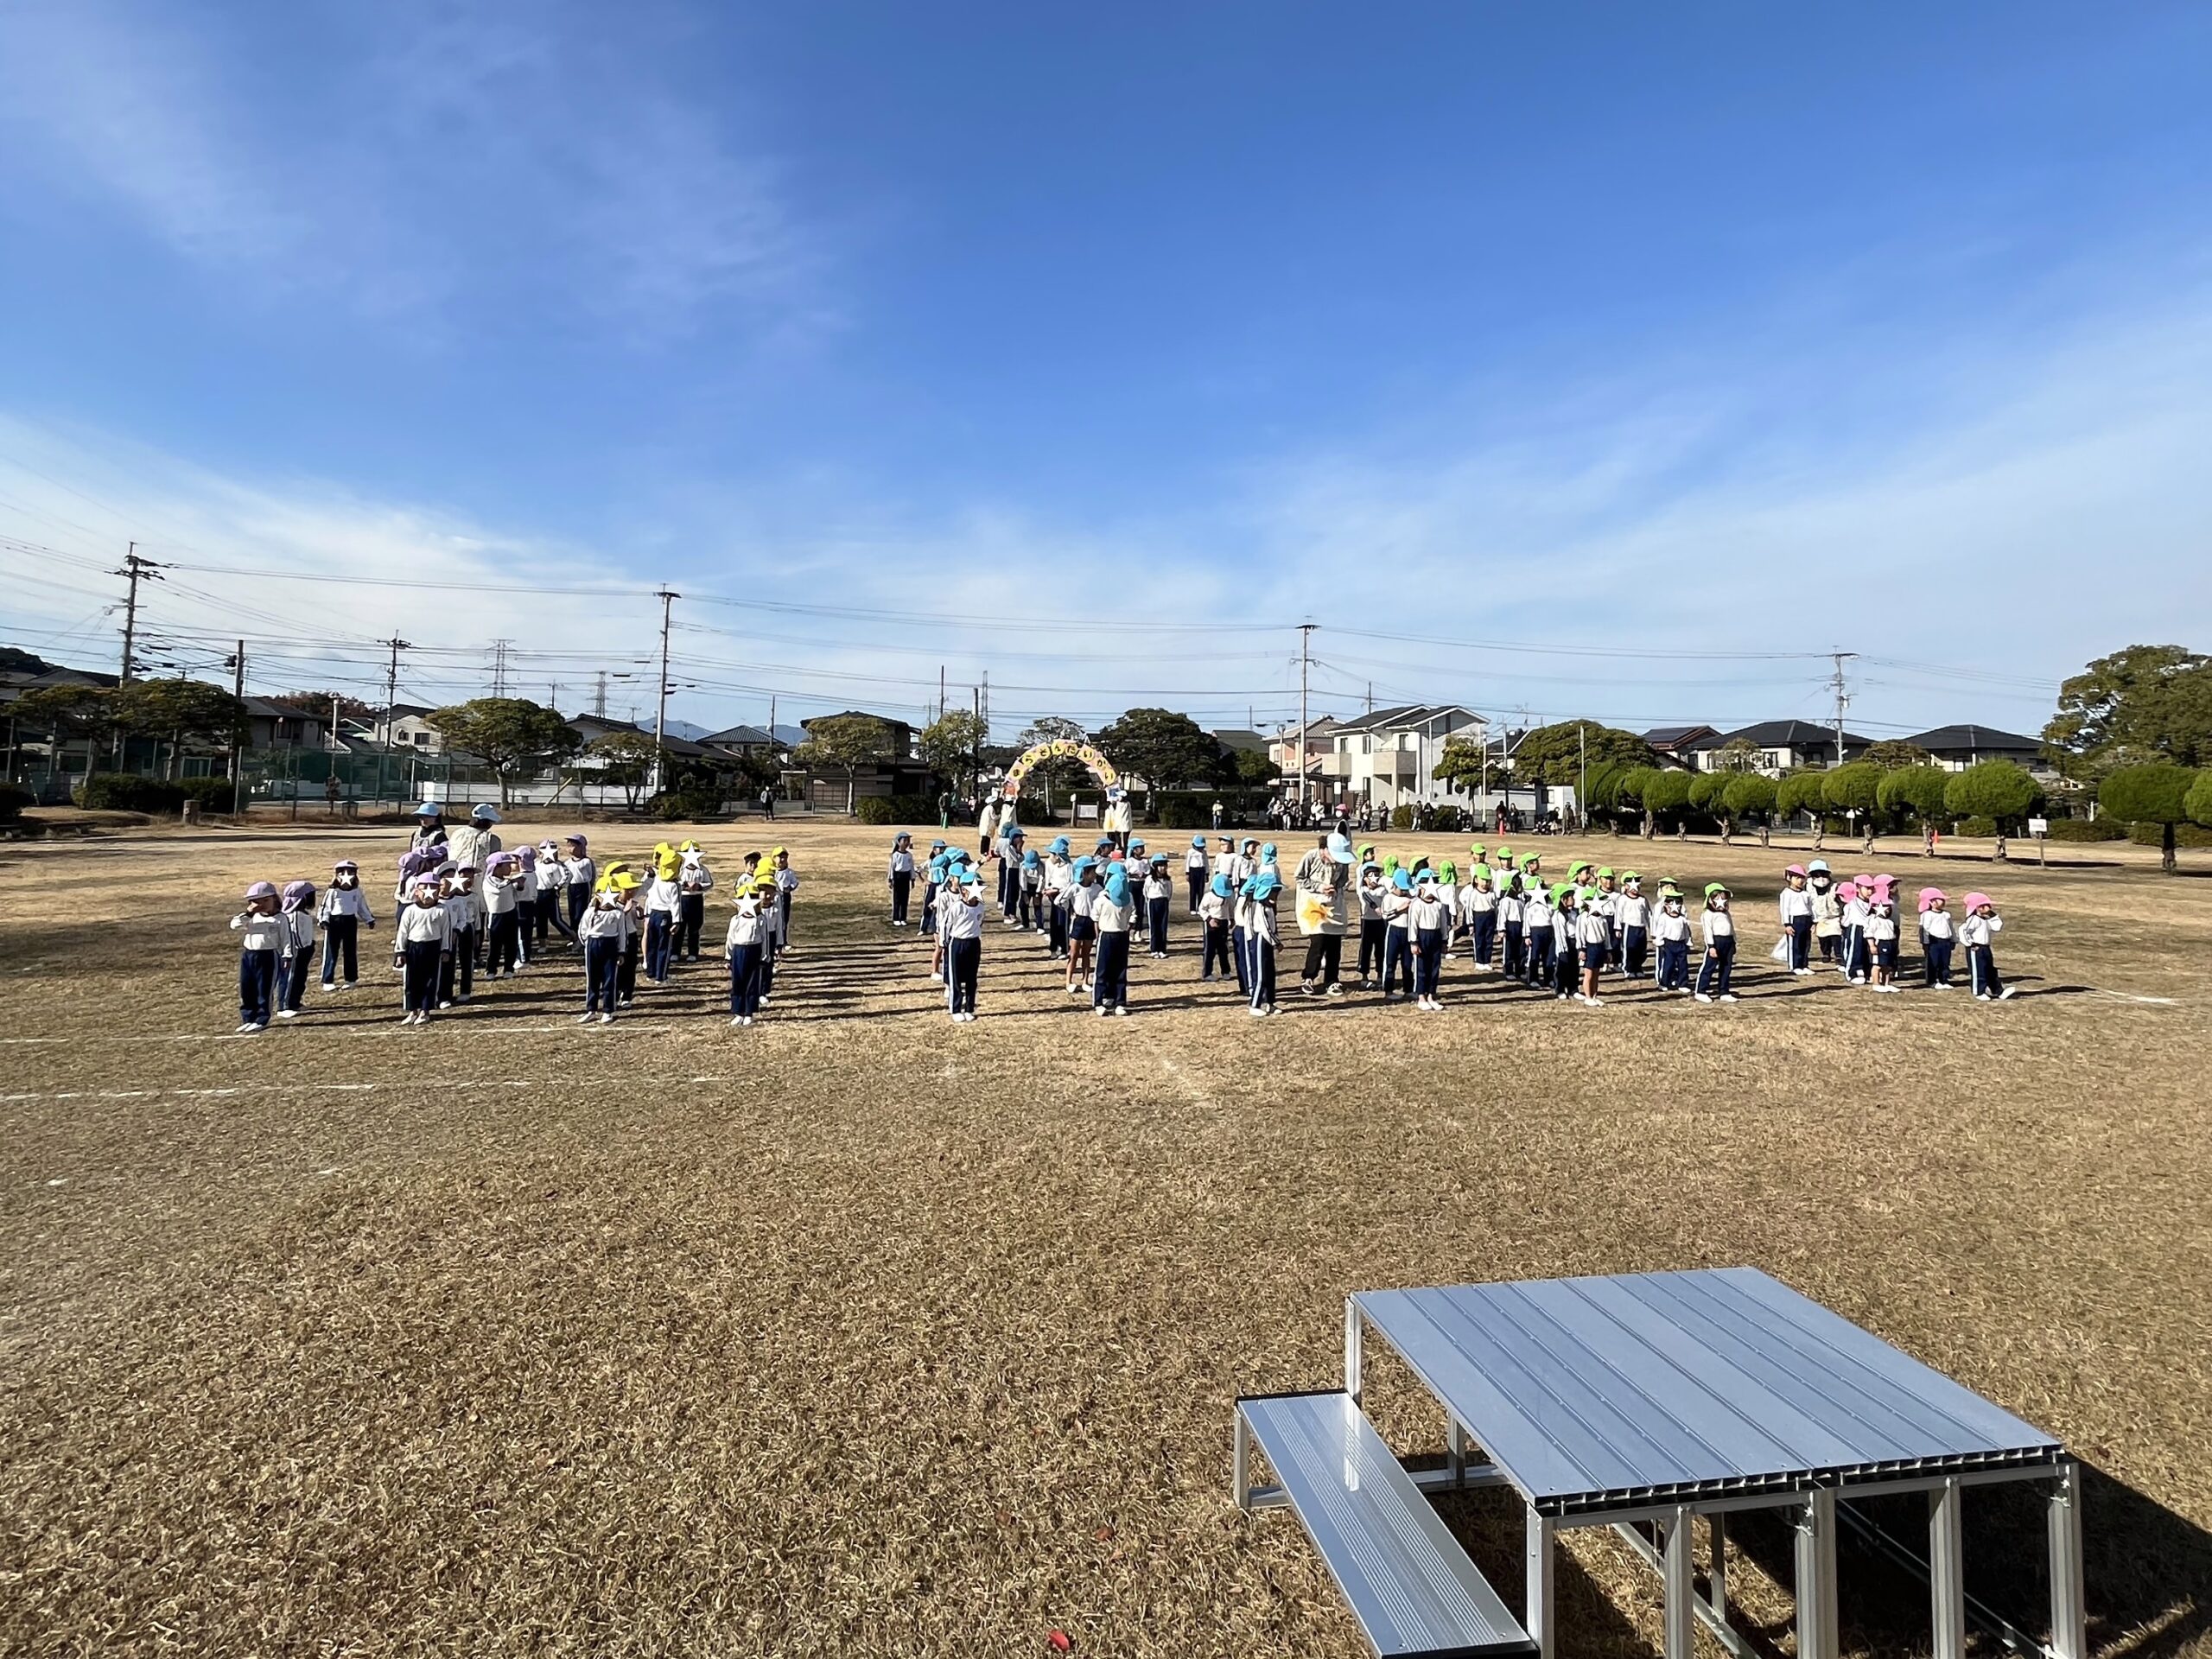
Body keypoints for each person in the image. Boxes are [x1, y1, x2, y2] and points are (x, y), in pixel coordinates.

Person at [1294, 831, 1355, 997]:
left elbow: (1342, 879)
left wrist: (1338, 886)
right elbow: (1299, 878)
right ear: (1326, 849)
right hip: (1314, 905)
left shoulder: (1341, 863)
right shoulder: (1311, 857)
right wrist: (1320, 887)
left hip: (1334, 905)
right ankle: (1308, 977)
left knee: (1334, 944)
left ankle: (1332, 980)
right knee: (1318, 942)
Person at [226, 881, 283, 1033]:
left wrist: (288, 956)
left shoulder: (280, 919)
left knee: (264, 989)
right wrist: (248, 913)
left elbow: (286, 939)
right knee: (247, 988)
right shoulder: (251, 918)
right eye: (256, 901)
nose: (261, 905)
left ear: (274, 900)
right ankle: (248, 1018)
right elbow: (234, 925)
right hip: (249, 955)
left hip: (268, 955)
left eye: (266, 900)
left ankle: (261, 1019)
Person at [394, 877, 451, 1025]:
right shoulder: (410, 910)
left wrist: (445, 949)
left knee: (430, 981)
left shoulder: (442, 910)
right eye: (424, 889)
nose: (428, 893)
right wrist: (400, 952)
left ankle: (425, 1011)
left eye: (433, 888)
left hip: (433, 948)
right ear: (416, 892)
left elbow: (446, 931)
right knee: (411, 981)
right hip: (413, 948)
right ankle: (412, 1010)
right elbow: (402, 932)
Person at [576, 880, 631, 1024]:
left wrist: (621, 952)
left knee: (609, 979)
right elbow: (583, 930)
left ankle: (608, 1010)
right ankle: (591, 1009)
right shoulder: (590, 912)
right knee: (592, 979)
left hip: (610, 946)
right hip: (593, 945)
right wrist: (588, 944)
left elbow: (622, 933)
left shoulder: (618, 914)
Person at [318, 860, 374, 991]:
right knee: (331, 951)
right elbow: (325, 907)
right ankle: (328, 980)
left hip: (350, 921)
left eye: (350, 872)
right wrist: (324, 920)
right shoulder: (333, 891)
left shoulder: (357, 891)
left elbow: (362, 906)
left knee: (350, 951)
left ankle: (351, 979)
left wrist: (369, 919)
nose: (347, 876)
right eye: (343, 873)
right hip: (334, 922)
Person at [942, 864, 985, 1021]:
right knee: (955, 977)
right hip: (957, 943)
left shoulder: (981, 906)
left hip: (973, 943)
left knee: (972, 977)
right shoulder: (957, 907)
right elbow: (947, 925)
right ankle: (955, 1009)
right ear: (964, 890)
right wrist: (945, 943)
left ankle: (969, 1008)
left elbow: (980, 922)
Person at [1091, 862, 1135, 1016]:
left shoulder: (1128, 897)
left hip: (1122, 936)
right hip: (1106, 935)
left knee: (1121, 970)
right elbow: (1095, 919)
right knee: (1103, 969)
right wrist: (1098, 936)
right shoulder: (1102, 899)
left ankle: (1120, 1002)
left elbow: (1132, 913)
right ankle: (1099, 1001)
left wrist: (1128, 928)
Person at [726, 877, 769, 1026]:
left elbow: (764, 939)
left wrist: (764, 957)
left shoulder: (760, 919)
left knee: (752, 983)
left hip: (754, 951)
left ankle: (749, 1012)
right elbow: (730, 938)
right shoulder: (735, 920)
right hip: (738, 951)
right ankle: (738, 1012)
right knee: (738, 982)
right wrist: (728, 956)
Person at [441, 864, 484, 1007]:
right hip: (450, 931)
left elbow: (477, 917)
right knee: (449, 961)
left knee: (467, 959)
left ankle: (465, 990)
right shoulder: (448, 899)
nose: (468, 880)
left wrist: (478, 933)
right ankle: (445, 993)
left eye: (471, 877)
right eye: (464, 877)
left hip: (467, 928)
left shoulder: (474, 897)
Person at [274, 881, 316, 1020]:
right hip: (296, 951)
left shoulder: (303, 914)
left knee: (300, 977)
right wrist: (302, 947)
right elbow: (295, 934)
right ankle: (284, 1006)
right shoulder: (294, 915)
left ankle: (295, 1002)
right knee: (290, 978)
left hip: (305, 950)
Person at [1960, 892, 2014, 1000]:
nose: (1988, 907)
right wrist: (1970, 944)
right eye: (1984, 905)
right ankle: (1979, 992)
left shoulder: (1986, 919)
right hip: (1976, 948)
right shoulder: (1974, 919)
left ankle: (1998, 991)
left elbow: (1997, 927)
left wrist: (1992, 915)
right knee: (1979, 970)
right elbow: (1963, 930)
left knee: (1990, 970)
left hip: (1986, 947)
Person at [1409, 868, 1450, 1012]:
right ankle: (1421, 996)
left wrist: (1444, 940)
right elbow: (1413, 924)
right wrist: (1413, 942)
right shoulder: (1417, 905)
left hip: (1436, 937)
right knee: (1422, 968)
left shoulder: (1439, 905)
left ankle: (1431, 995)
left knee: (1434, 968)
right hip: (1422, 937)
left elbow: (1444, 923)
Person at [1243, 869, 1281, 1016]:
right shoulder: (1259, 906)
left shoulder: (1269, 907)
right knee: (1260, 975)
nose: (1276, 895)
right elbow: (1265, 928)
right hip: (1260, 941)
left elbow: (1273, 926)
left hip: (1268, 942)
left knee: (1270, 973)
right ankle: (1255, 1004)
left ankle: (1270, 1003)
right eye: (1273, 891)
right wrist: (1277, 942)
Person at [482, 853, 524, 980]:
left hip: (511, 913)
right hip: (496, 916)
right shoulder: (489, 881)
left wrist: (520, 885)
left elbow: (515, 894)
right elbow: (498, 889)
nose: (510, 868)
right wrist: (513, 881)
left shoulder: (506, 881)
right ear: (497, 867)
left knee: (511, 943)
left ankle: (509, 968)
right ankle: (491, 970)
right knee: (495, 945)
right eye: (507, 865)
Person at [1694, 881, 1738, 1003]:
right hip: (1716, 942)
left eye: (1724, 898)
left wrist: (1734, 942)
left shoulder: (1726, 914)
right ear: (1710, 900)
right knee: (1709, 967)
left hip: (1728, 942)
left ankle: (1724, 991)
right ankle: (1701, 991)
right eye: (1717, 898)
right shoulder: (1707, 914)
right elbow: (1707, 931)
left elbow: (1731, 928)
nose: (1721, 902)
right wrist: (1711, 946)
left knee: (1726, 968)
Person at [643, 847, 682, 985]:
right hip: (666, 915)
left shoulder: (657, 878)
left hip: (653, 914)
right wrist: (677, 922)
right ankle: (661, 977)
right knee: (663, 947)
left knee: (652, 945)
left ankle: (651, 973)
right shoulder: (674, 885)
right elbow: (675, 904)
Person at [1379, 868, 1415, 1002]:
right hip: (1394, 931)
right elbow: (1385, 915)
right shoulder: (1388, 897)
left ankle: (1409, 989)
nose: (1404, 892)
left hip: (1408, 932)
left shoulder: (1411, 899)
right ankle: (1388, 990)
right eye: (1402, 889)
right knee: (1390, 961)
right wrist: (1399, 909)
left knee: (1407, 963)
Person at [1574, 879, 1611, 1007]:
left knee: (1596, 973)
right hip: (1590, 947)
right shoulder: (1584, 917)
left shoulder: (1602, 918)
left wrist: (1608, 949)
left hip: (1600, 947)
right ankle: (1588, 997)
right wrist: (1582, 949)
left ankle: (1595, 995)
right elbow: (1580, 934)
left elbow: (1606, 935)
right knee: (1589, 973)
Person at [1065, 857, 1099, 995]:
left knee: (1086, 953)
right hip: (1078, 921)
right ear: (1085, 873)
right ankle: (1069, 981)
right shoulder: (1075, 887)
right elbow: (1060, 899)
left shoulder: (1097, 888)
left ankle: (1085, 981)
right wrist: (1070, 910)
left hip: (1090, 921)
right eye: (1092, 872)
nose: (1095, 874)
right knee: (1074, 954)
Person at [675, 843, 713, 961]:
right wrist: (684, 884)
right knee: (679, 927)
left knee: (694, 928)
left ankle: (693, 953)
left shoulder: (703, 869)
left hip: (696, 900)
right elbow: (675, 881)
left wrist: (699, 886)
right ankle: (675, 952)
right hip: (682, 899)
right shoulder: (679, 869)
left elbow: (709, 883)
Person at [1653, 884, 1693, 993]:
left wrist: (1688, 941)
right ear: (1666, 906)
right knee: (1668, 965)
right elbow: (1660, 931)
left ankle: (1683, 983)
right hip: (1668, 944)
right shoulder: (1663, 918)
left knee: (1683, 965)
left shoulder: (1682, 919)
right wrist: (1659, 942)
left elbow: (1686, 931)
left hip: (1681, 944)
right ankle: (1664, 982)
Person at [1866, 880, 1902, 993]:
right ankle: (1876, 984)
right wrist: (1872, 945)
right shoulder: (1873, 920)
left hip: (1889, 943)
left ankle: (1886, 983)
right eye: (1884, 906)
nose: (1887, 909)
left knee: (1887, 965)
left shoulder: (1889, 921)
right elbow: (1869, 933)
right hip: (1879, 943)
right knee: (1877, 965)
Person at [1778, 865, 1815, 976]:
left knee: (1806, 944)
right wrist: (1787, 924)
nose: (1800, 881)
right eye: (1797, 878)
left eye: (1802, 878)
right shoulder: (1786, 893)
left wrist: (1813, 921)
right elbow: (1784, 909)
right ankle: (1795, 965)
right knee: (1795, 944)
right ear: (1789, 878)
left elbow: (1811, 908)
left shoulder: (1806, 894)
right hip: (1794, 920)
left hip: (1806, 920)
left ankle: (1804, 965)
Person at [1461, 862, 1497, 971]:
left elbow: (1496, 907)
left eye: (1488, 880)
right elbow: (1469, 909)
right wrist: (1470, 924)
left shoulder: (1492, 893)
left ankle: (1487, 961)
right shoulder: (1473, 894)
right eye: (1483, 880)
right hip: (1478, 917)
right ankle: (1479, 961)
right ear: (1476, 880)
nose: (1485, 883)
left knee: (1489, 940)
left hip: (1490, 917)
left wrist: (1496, 920)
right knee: (1479, 940)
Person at [1615, 872, 1651, 980]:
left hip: (1641, 928)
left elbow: (1648, 915)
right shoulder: (1623, 899)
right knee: (1629, 949)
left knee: (1641, 950)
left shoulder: (1642, 900)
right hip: (1629, 928)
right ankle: (1628, 969)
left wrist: (1651, 928)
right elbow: (1618, 914)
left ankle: (1638, 968)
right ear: (1626, 886)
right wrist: (1618, 928)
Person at [447, 804, 502, 874]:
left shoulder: (456, 833)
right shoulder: (491, 839)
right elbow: (494, 864)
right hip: (478, 878)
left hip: (453, 875)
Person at [1918, 888, 1956, 990]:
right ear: (1932, 902)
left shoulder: (1946, 915)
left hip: (1946, 941)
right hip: (1934, 941)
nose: (1943, 902)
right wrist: (1925, 942)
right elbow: (1924, 929)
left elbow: (1951, 928)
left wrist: (1953, 939)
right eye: (1940, 900)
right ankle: (1932, 981)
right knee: (1933, 962)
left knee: (1945, 962)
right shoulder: (1927, 915)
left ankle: (1944, 980)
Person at [1199, 870, 1235, 980]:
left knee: (1223, 949)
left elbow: (1231, 907)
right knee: (1209, 949)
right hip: (1211, 924)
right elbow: (1202, 909)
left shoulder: (1228, 897)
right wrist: (1209, 919)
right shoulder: (1208, 896)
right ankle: (1207, 973)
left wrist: (1232, 919)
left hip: (1223, 922)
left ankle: (1226, 971)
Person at [562, 835, 595, 943]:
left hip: (583, 887)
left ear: (581, 847)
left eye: (573, 846)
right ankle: (574, 935)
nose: (570, 849)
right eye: (568, 846)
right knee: (572, 912)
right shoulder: (567, 863)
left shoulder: (586, 862)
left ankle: (582, 936)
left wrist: (589, 887)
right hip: (571, 887)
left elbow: (591, 876)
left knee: (581, 912)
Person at [1808, 860, 1842, 964]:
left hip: (1834, 916)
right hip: (1820, 917)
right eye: (1817, 875)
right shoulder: (1808, 887)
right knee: (1823, 938)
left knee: (1836, 936)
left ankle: (1839, 955)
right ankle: (1826, 953)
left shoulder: (1835, 886)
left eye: (1823, 874)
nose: (1821, 878)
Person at [1143, 854, 1173, 958]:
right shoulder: (1150, 879)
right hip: (1153, 902)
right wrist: (1149, 901)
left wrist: (1165, 900)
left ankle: (1162, 949)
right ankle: (1154, 949)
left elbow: (1169, 892)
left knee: (1163, 926)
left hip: (1163, 902)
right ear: (1155, 867)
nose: (1163, 868)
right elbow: (1145, 891)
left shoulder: (1167, 880)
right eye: (1160, 865)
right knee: (1154, 926)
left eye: (1165, 865)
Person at [887, 833, 916, 927]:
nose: (907, 843)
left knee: (905, 898)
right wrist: (890, 879)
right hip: (898, 876)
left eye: (908, 841)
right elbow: (891, 868)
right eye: (905, 840)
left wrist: (912, 879)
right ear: (898, 842)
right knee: (897, 899)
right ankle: (896, 918)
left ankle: (903, 918)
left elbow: (911, 867)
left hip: (906, 877)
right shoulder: (895, 855)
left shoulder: (909, 855)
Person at [1184, 836, 1210, 913]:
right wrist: (1187, 873)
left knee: (1201, 890)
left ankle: (1200, 908)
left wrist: (1207, 873)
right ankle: (1192, 908)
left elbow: (1206, 862)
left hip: (1201, 871)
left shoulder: (1204, 852)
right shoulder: (1190, 852)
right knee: (1193, 890)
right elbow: (1188, 862)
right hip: (1193, 871)